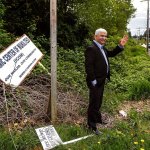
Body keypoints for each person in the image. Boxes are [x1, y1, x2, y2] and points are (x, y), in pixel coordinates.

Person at [84, 28, 128, 135]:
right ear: (96, 36)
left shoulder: (102, 48)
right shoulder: (92, 48)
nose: (104, 38)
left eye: (105, 36)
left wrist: (120, 46)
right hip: (95, 82)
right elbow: (88, 67)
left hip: (101, 81)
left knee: (98, 102)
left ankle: (97, 120)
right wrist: (93, 81)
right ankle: (92, 127)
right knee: (94, 104)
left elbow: (111, 54)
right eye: (102, 36)